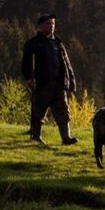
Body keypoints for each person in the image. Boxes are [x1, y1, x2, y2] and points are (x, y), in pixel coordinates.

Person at [21, 13, 78, 145]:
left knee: (63, 111)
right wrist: (29, 78)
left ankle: (66, 138)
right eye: (48, 23)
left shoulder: (58, 43)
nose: (51, 26)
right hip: (41, 83)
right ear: (41, 26)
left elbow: (66, 63)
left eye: (53, 23)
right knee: (38, 111)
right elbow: (26, 63)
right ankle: (36, 137)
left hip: (58, 84)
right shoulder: (33, 43)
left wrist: (71, 81)